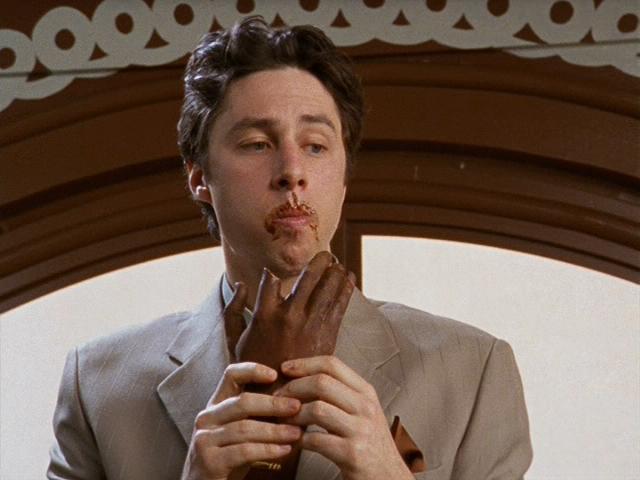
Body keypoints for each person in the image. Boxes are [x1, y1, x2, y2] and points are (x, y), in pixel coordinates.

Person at [48, 17, 532, 480]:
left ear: (343, 177)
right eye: (257, 144)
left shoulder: (475, 370)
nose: (292, 171)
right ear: (200, 179)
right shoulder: (97, 385)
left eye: (316, 145)